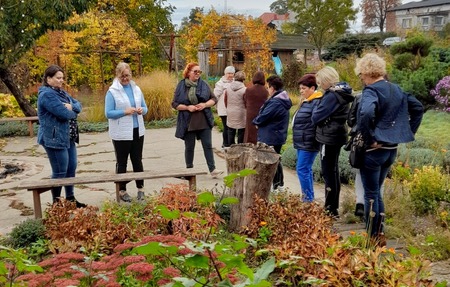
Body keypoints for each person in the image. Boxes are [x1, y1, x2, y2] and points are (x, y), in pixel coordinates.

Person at [355, 53, 423, 242]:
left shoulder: (371, 91)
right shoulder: (396, 89)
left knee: (370, 194)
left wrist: (370, 138)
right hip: (390, 151)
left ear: (366, 72)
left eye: (361, 74)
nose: (361, 78)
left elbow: (367, 113)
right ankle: (380, 232)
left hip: (373, 151)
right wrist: (405, 132)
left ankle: (371, 237)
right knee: (376, 191)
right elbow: (418, 108)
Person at [37, 65, 86, 207]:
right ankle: (56, 203)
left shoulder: (62, 93)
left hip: (68, 137)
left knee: (71, 167)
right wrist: (73, 110)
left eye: (62, 78)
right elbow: (64, 114)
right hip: (53, 139)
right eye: (58, 78)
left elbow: (78, 105)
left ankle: (70, 199)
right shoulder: (46, 95)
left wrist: (72, 107)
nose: (61, 81)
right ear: (49, 79)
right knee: (60, 171)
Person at [312, 66, 354, 217]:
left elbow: (316, 117)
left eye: (320, 82)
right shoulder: (342, 92)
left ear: (325, 81)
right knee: (333, 171)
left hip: (328, 136)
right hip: (337, 134)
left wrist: (318, 109)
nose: (319, 86)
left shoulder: (331, 95)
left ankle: (330, 208)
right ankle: (333, 206)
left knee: (328, 172)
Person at [105, 62, 148, 202]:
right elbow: (108, 113)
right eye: (122, 76)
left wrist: (142, 110)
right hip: (121, 133)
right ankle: (122, 190)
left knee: (137, 160)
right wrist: (125, 111)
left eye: (127, 75)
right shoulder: (112, 91)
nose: (125, 78)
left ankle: (140, 188)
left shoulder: (136, 89)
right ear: (117, 75)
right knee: (122, 162)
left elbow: (145, 107)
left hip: (137, 130)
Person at [172, 62, 223, 178]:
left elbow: (214, 99)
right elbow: (174, 104)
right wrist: (187, 107)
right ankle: (189, 171)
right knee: (189, 147)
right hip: (188, 120)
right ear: (188, 72)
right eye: (195, 71)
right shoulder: (181, 85)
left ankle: (213, 169)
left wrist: (204, 105)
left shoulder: (203, 84)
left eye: (199, 72)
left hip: (203, 118)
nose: (198, 74)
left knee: (208, 145)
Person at [253, 75, 292, 191]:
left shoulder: (277, 102)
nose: (267, 89)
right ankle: (278, 184)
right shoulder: (279, 98)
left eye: (268, 87)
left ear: (272, 88)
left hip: (272, 135)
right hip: (275, 133)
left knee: (272, 160)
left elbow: (265, 115)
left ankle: (277, 184)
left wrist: (256, 121)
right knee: (275, 159)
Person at [292, 74, 323, 202]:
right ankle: (308, 197)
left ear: (312, 88)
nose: (301, 91)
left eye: (304, 88)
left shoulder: (316, 101)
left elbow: (315, 121)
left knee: (302, 169)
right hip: (302, 141)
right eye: (300, 88)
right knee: (305, 169)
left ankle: (307, 199)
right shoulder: (307, 101)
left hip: (308, 142)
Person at [243, 71, 269, 144]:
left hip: (250, 113)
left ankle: (248, 146)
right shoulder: (265, 91)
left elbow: (245, 100)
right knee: (258, 132)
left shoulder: (249, 90)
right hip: (261, 113)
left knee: (249, 132)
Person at [213, 66, 235, 148]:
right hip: (223, 109)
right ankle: (226, 144)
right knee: (226, 127)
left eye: (232, 73)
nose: (230, 75)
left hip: (232, 109)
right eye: (229, 73)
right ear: (225, 74)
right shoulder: (220, 83)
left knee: (231, 127)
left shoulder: (235, 82)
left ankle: (231, 143)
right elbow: (215, 95)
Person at [225, 71, 246, 145]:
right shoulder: (244, 90)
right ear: (243, 79)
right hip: (241, 112)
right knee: (241, 131)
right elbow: (246, 102)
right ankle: (240, 148)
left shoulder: (228, 88)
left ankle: (231, 147)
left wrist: (228, 108)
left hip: (230, 111)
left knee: (230, 129)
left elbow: (225, 100)